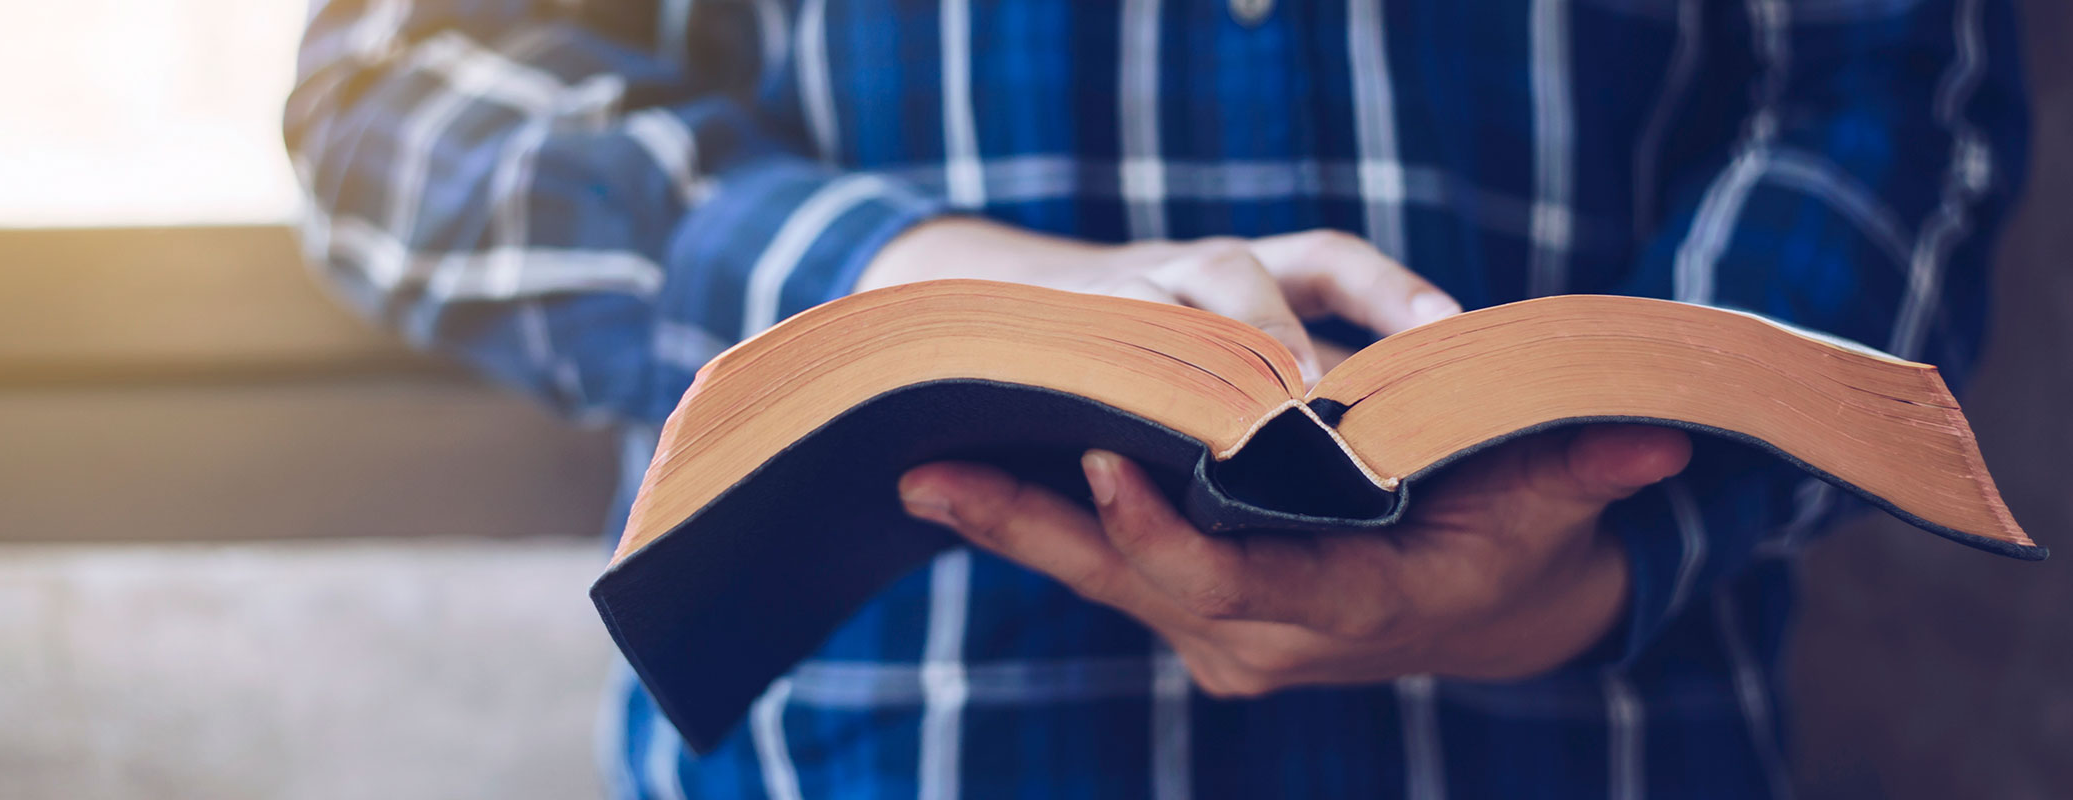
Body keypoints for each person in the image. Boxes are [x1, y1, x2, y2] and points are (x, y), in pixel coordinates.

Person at [285, 0, 2028, 796]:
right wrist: (912, 281)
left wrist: (1600, 555)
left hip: (1594, 716)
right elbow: (398, 98)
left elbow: (1898, 86)